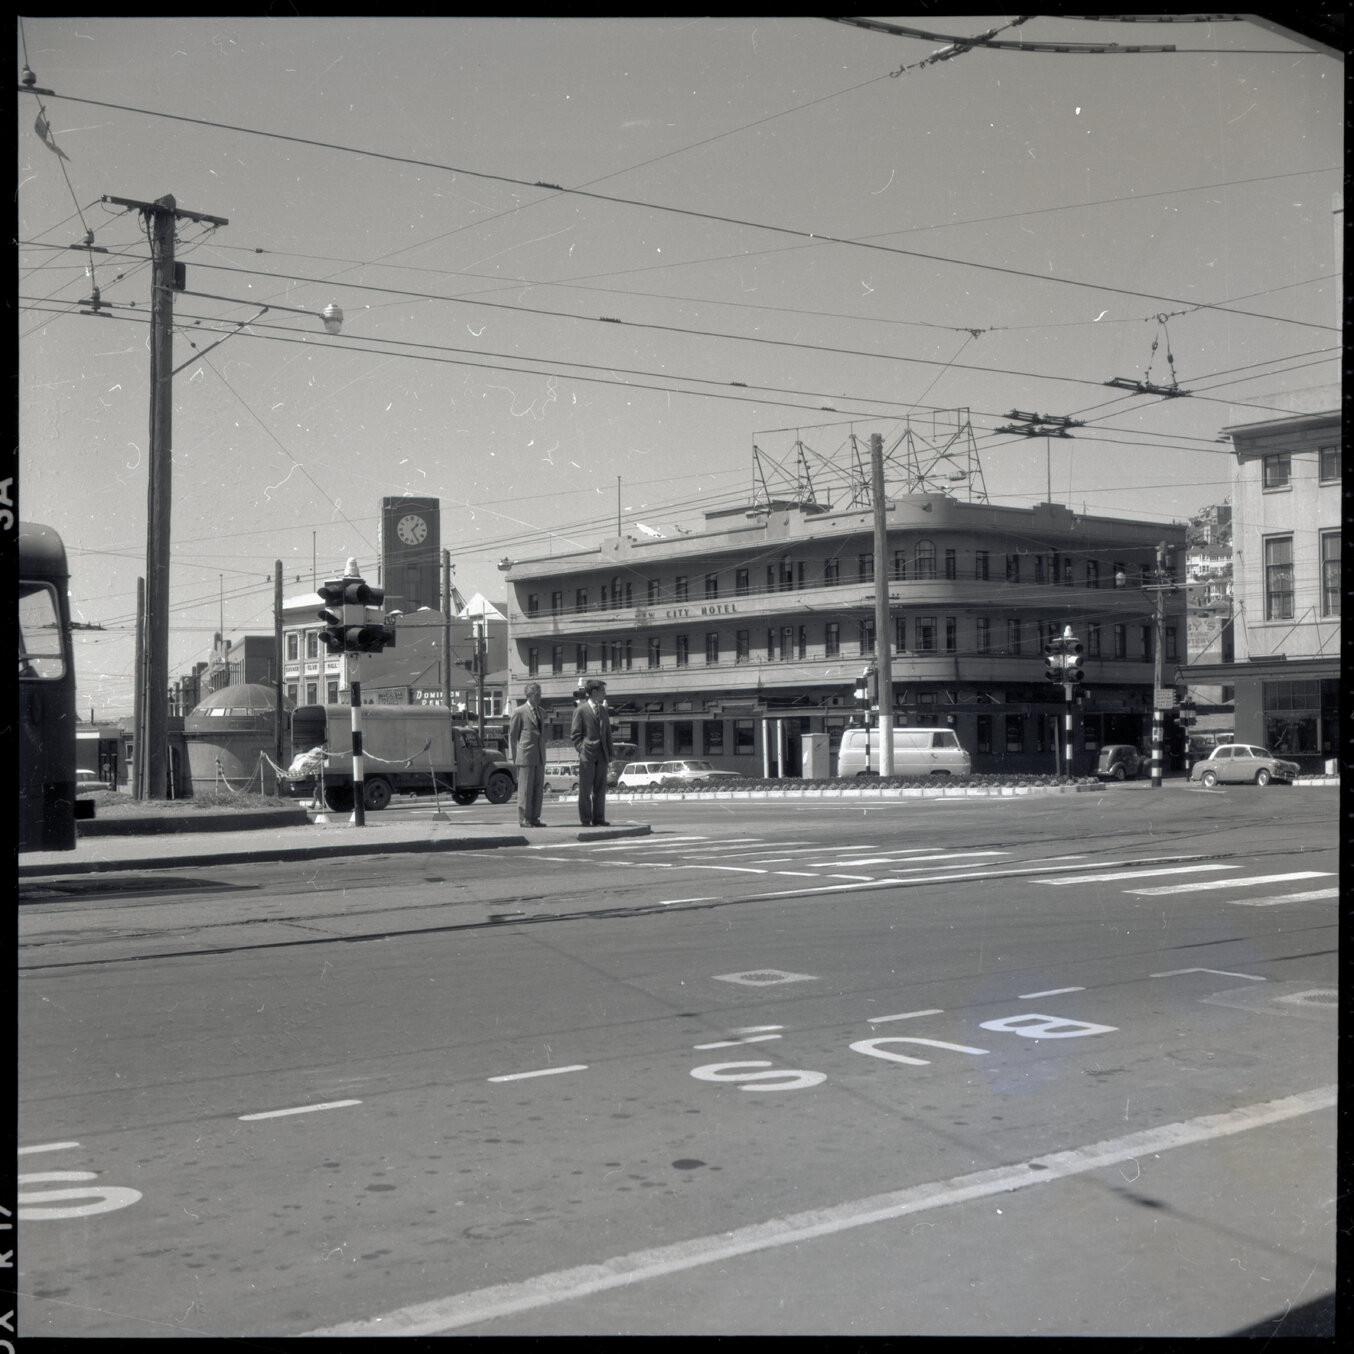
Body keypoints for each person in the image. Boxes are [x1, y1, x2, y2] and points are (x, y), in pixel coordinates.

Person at [570, 677, 615, 826]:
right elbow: (575, 734)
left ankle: (599, 818)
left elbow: (608, 733)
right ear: (594, 692)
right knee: (585, 789)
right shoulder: (581, 710)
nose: (605, 693)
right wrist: (581, 749)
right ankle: (586, 819)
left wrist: (610, 753)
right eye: (603, 690)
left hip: (602, 754)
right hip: (587, 754)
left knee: (600, 788)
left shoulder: (603, 710)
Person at [508, 681, 548, 827]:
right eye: (537, 695)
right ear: (529, 695)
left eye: (540, 695)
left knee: (538, 789)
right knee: (525, 790)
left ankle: (535, 817)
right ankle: (524, 818)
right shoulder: (519, 711)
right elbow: (512, 737)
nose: (539, 698)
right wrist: (514, 757)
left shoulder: (540, 711)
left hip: (539, 755)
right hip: (525, 756)